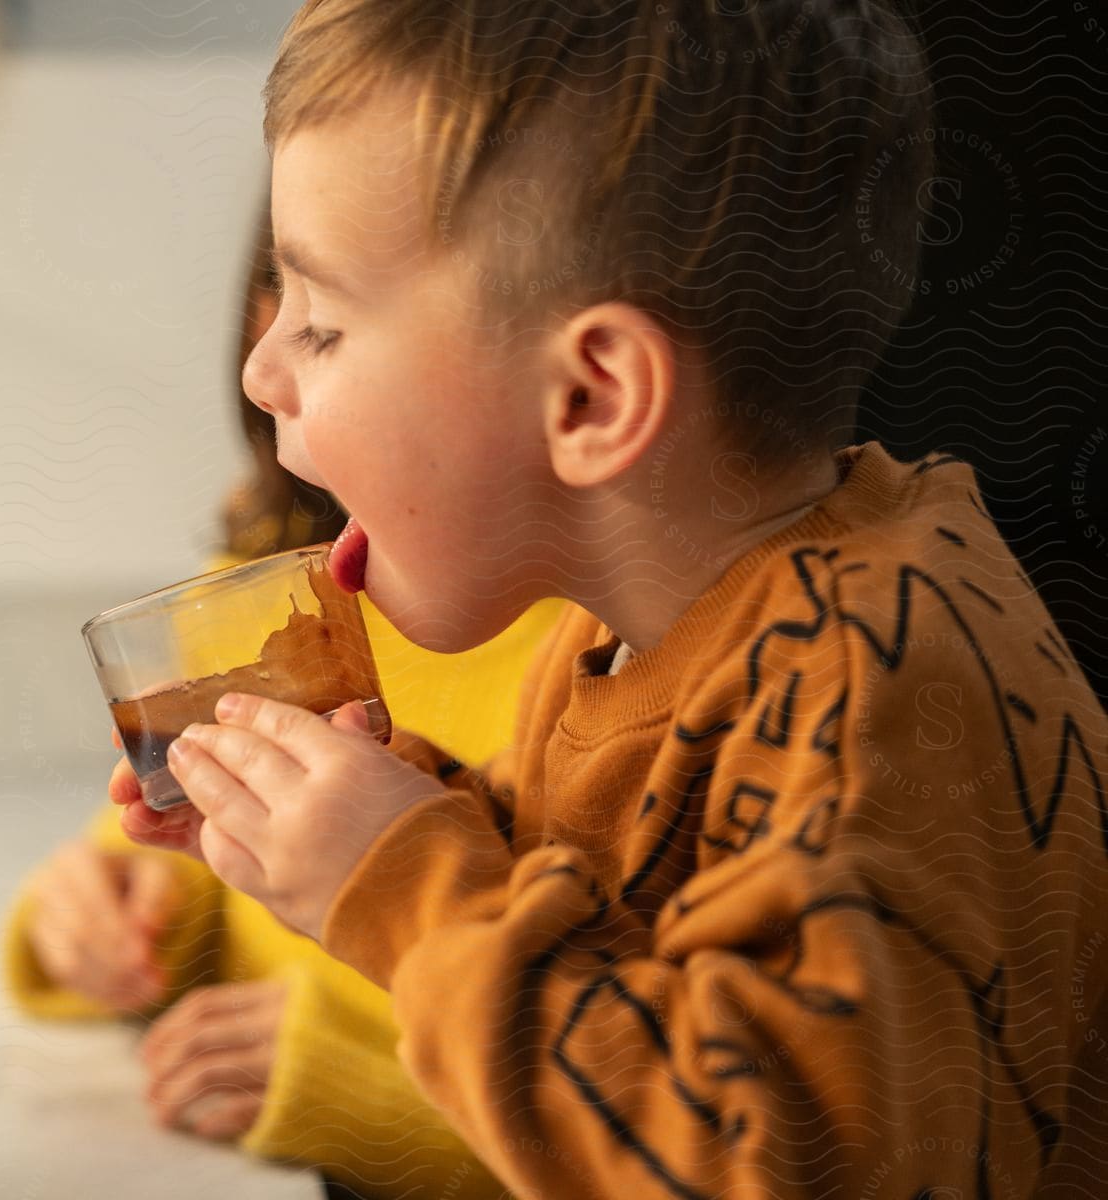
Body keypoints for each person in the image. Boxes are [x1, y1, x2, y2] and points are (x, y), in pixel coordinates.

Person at [114, 2, 1108, 1197]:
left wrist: (400, 879)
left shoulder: (865, 675)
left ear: (589, 397)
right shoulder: (625, 642)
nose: (260, 372)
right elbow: (610, 942)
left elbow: (768, 1164)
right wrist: (373, 814)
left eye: (320, 326)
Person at [3, 205, 564, 1198]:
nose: (263, 365)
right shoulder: (264, 590)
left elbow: (683, 1125)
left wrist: (374, 1098)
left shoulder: (623, 668)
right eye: (275, 290)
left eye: (324, 317)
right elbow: (198, 870)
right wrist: (127, 921)